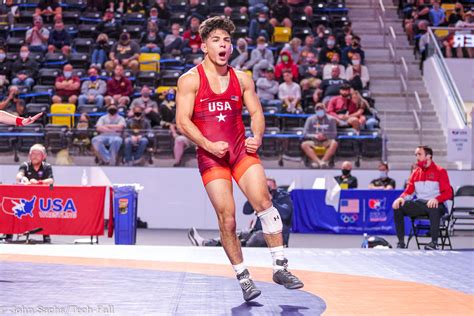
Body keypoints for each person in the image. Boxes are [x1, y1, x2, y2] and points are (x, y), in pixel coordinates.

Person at [176, 17, 303, 302]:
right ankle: (244, 277)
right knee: (228, 218)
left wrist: (256, 136)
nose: (223, 45)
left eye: (227, 40)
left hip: (239, 149)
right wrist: (208, 143)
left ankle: (280, 267)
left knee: (265, 203)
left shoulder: (242, 78)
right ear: (204, 45)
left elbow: (257, 114)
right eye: (216, 40)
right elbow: (182, 122)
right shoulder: (190, 80)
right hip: (211, 156)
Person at [188, 178, 294, 247]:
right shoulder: (260, 196)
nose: (266, 189)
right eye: (264, 186)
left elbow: (285, 214)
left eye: (269, 187)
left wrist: (269, 201)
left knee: (253, 239)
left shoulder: (283, 196)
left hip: (275, 235)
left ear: (275, 187)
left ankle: (242, 246)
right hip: (256, 231)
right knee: (235, 235)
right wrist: (254, 196)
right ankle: (205, 243)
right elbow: (246, 210)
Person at [392, 146, 452, 250]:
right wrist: (401, 198)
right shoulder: (415, 172)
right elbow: (409, 191)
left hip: (437, 204)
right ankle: (401, 242)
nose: (417, 157)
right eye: (416, 154)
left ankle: (434, 243)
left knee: (434, 207)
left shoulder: (440, 171)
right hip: (420, 204)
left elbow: (448, 193)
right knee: (398, 207)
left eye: (419, 154)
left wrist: (437, 199)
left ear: (428, 156)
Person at [13, 144, 54, 243]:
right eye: (32, 154)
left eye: (38, 154)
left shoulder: (47, 166)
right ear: (29, 155)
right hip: (26, 198)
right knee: (14, 210)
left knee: (44, 214)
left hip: (41, 198)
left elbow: (51, 180)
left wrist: (38, 182)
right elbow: (18, 176)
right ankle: (9, 233)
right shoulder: (25, 165)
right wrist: (24, 179)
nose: (35, 156)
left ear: (44, 156)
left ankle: (46, 234)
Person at [300, 103, 338, 168]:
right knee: (304, 144)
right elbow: (305, 133)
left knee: (334, 143)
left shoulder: (331, 119)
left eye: (321, 109)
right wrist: (314, 136)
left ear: (325, 110)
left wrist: (325, 136)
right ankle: (319, 162)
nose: (320, 111)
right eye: (318, 109)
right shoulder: (310, 119)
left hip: (326, 140)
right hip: (314, 141)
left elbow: (334, 133)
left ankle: (323, 161)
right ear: (315, 111)